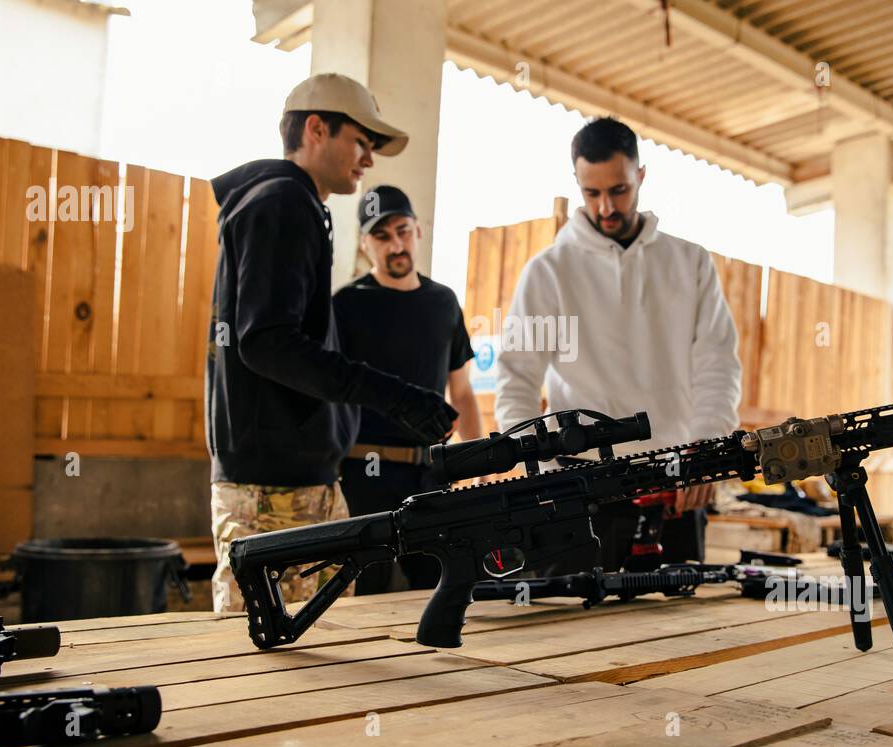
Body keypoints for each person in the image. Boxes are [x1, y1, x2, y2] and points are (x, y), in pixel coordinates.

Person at [206, 73, 458, 613]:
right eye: (361, 142)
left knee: (325, 647)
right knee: (272, 662)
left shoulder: (295, 205)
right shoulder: (280, 203)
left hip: (306, 479)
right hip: (272, 489)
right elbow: (267, 342)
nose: (368, 160)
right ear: (316, 129)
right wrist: (396, 395)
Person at [495, 116, 742, 573]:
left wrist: (707, 450)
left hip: (676, 486)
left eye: (619, 190)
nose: (606, 206)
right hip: (577, 492)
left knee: (684, 633)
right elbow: (517, 378)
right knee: (577, 634)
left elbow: (717, 364)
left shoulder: (689, 263)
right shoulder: (549, 272)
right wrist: (537, 470)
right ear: (577, 183)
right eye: (592, 193)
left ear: (641, 176)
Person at [333, 185, 483, 593]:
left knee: (435, 589)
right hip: (361, 474)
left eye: (402, 230)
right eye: (381, 236)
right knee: (362, 595)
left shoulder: (444, 302)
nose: (395, 244)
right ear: (365, 245)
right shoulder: (345, 305)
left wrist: (479, 462)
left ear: (418, 231)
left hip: (429, 476)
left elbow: (463, 393)